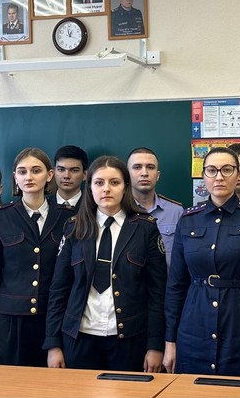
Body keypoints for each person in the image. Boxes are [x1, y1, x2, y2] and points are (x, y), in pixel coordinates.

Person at [164, 147, 240, 377]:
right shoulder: (188, 220)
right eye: (211, 170)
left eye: (227, 170)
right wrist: (170, 341)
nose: (219, 177)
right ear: (203, 176)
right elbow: (176, 286)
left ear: (238, 174)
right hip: (193, 330)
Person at [44, 156, 167, 372]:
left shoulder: (145, 228)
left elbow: (157, 292)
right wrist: (53, 343)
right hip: (79, 337)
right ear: (90, 187)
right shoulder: (74, 228)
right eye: (99, 182)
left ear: (125, 187)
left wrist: (155, 345)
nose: (106, 189)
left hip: (129, 339)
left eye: (114, 182)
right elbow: (59, 289)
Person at [0, 148, 75, 367]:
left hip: (53, 320)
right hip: (9, 323)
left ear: (49, 175)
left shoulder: (68, 217)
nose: (29, 177)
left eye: (36, 171)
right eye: (22, 172)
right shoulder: (0, 216)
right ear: (15, 177)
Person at [126, 147, 183, 270]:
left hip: (167, 281)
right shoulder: (119, 211)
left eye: (150, 167)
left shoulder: (176, 212)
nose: (144, 173)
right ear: (127, 174)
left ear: (157, 175)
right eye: (137, 167)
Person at [53, 145, 88, 212]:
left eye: (74, 170)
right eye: (61, 169)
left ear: (84, 175)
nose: (66, 176)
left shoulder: (93, 207)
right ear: (54, 172)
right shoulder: (42, 204)